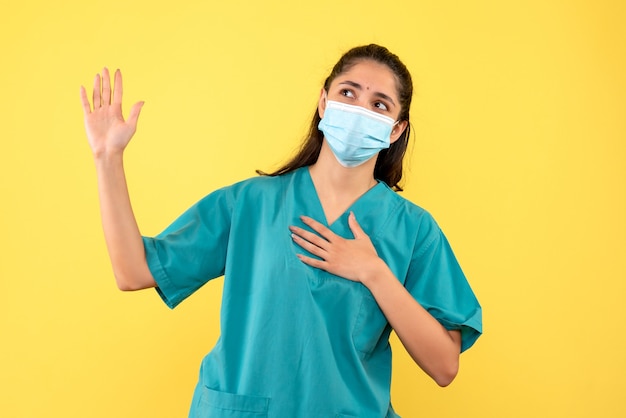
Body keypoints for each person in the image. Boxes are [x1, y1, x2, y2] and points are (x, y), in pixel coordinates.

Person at [80, 44, 482, 418]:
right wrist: (107, 157)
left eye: (379, 104)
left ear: (395, 130)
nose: (360, 109)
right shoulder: (250, 203)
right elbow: (133, 272)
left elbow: (445, 366)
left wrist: (373, 273)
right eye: (348, 93)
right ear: (324, 103)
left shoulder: (413, 230)